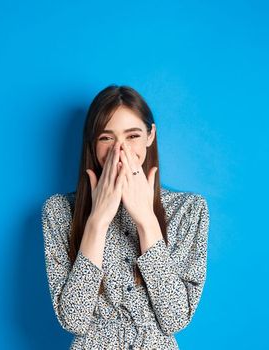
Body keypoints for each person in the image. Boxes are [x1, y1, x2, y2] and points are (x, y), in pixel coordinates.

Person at [41, 85, 209, 349]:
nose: (120, 150)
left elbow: (175, 319)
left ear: (150, 136)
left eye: (132, 136)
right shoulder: (59, 210)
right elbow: (73, 320)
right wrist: (98, 219)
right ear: (92, 143)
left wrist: (146, 220)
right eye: (106, 138)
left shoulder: (188, 210)